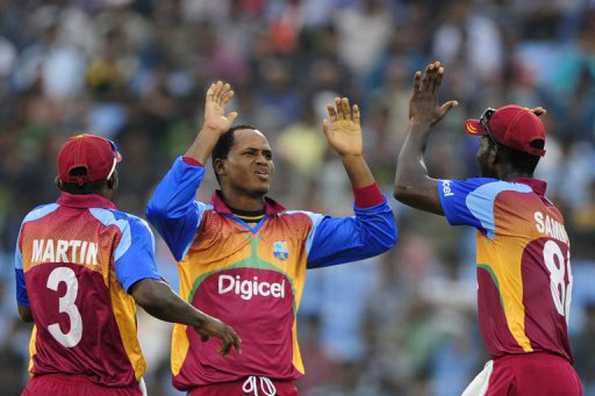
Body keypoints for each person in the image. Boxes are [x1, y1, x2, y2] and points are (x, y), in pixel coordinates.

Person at [146, 81, 398, 395]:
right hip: (215, 388)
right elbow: (162, 207)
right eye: (250, 153)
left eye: (267, 155)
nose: (263, 160)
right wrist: (210, 133)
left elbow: (379, 234)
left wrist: (353, 158)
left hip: (278, 387)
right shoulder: (198, 224)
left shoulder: (300, 228)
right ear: (221, 166)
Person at [393, 61, 583, 395]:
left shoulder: (495, 197)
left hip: (521, 370)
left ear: (495, 154)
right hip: (563, 376)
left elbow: (407, 186)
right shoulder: (552, 212)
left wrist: (420, 123)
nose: (477, 149)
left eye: (483, 142)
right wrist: (519, 126)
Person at [15, 133, 240, 396]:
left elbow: (26, 311)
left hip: (44, 386)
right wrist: (203, 321)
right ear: (111, 180)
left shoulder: (31, 224)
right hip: (108, 386)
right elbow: (148, 293)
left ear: (59, 180)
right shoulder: (122, 228)